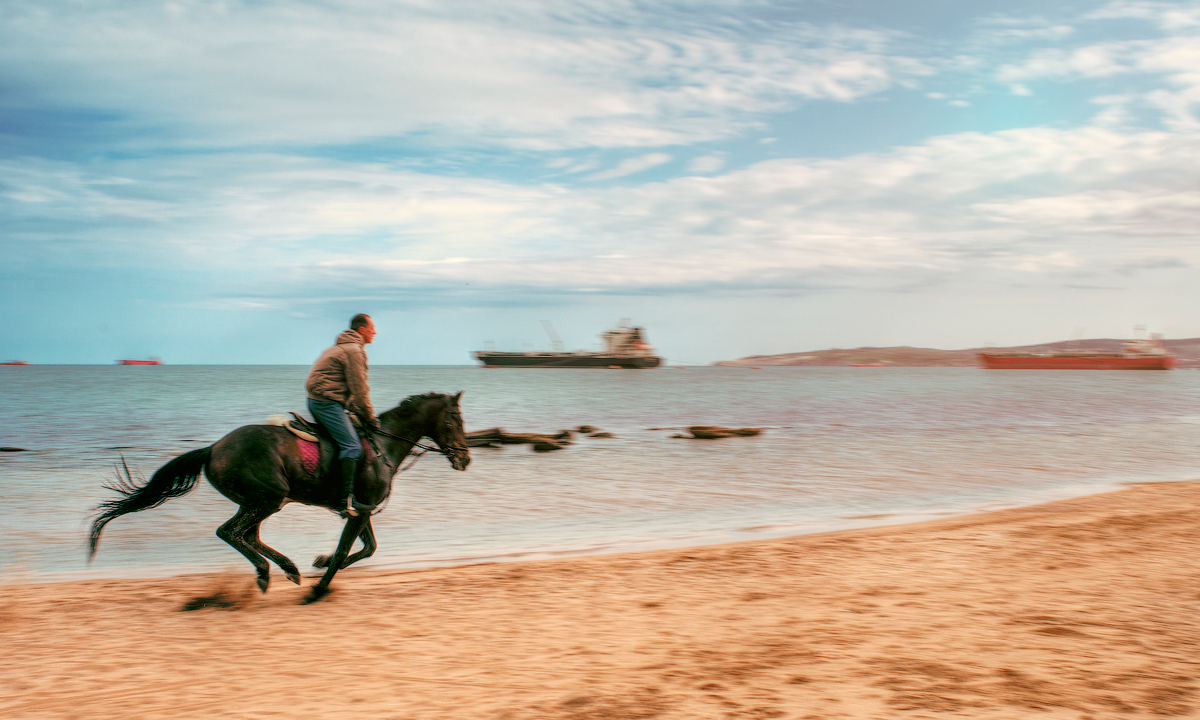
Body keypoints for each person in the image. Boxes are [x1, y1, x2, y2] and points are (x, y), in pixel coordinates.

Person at [306, 313, 381, 517]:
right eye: (372, 328)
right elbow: (360, 390)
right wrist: (371, 417)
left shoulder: (342, 347)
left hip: (323, 401)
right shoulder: (354, 351)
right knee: (352, 445)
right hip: (327, 404)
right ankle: (344, 500)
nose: (375, 332)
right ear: (362, 330)